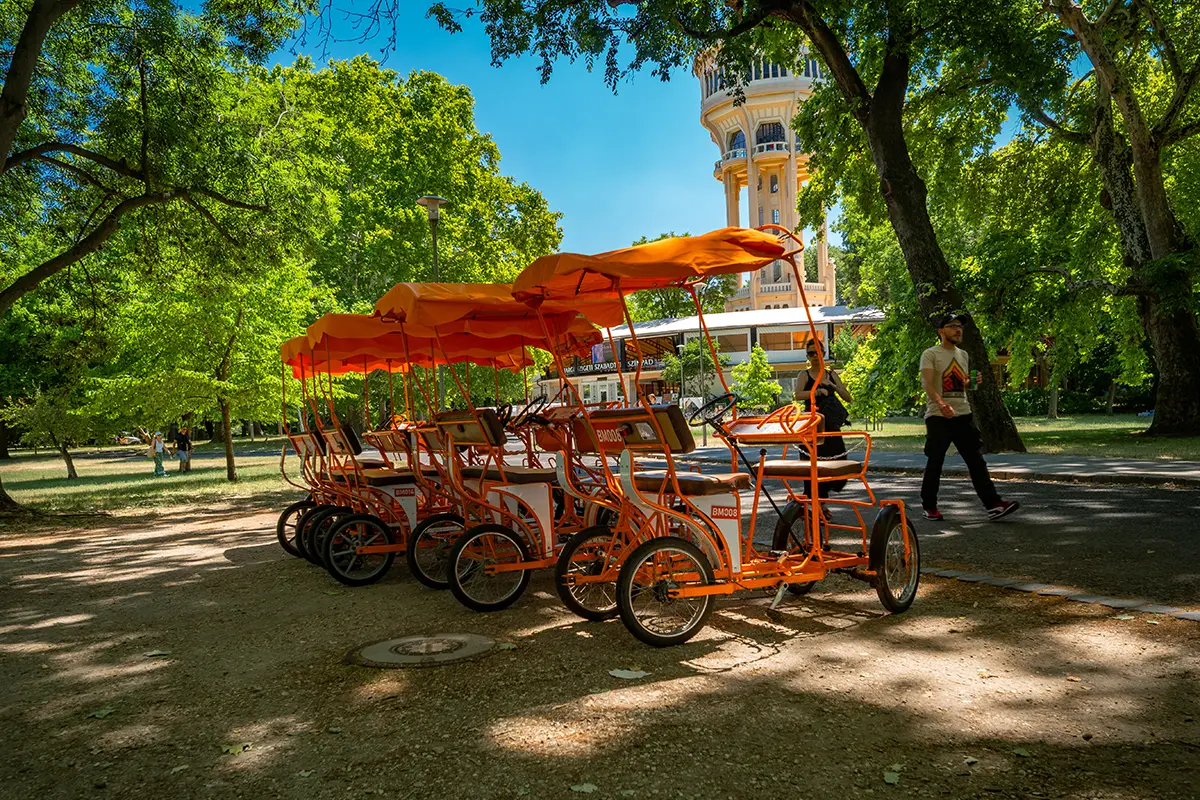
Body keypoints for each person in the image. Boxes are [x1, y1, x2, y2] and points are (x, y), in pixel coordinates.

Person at [919, 314, 1019, 521]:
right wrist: (941, 403)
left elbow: (958, 385)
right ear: (941, 331)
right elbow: (927, 383)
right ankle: (929, 506)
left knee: (976, 461)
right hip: (938, 416)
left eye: (960, 327)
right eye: (953, 326)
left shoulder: (963, 355)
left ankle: (993, 505)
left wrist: (970, 383)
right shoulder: (930, 354)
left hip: (963, 415)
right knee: (935, 462)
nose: (958, 330)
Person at [795, 340, 853, 499]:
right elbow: (798, 394)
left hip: (831, 426)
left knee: (838, 463)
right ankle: (817, 504)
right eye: (811, 353)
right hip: (812, 426)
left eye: (818, 352)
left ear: (824, 353)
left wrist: (831, 385)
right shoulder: (804, 375)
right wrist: (817, 391)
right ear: (807, 356)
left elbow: (848, 397)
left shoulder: (831, 374)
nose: (815, 356)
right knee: (812, 466)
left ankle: (821, 501)